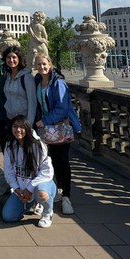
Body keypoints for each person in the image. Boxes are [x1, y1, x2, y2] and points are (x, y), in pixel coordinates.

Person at [34, 53, 81, 215]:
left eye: (44, 64)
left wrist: (44, 121)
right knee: (49, 162)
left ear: (50, 64)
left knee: (62, 162)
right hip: (46, 131)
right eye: (39, 64)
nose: (42, 67)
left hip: (59, 128)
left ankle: (67, 196)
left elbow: (62, 107)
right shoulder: (38, 81)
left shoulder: (58, 82)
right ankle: (56, 192)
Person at [2, 115, 56, 228]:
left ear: (27, 128)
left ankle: (47, 212)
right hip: (22, 190)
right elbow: (9, 173)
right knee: (8, 216)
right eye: (15, 126)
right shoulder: (9, 146)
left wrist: (30, 188)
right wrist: (17, 190)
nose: (18, 130)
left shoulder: (38, 145)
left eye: (21, 127)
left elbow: (47, 172)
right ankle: (31, 203)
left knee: (40, 193)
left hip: (40, 185)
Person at [2, 46, 37, 126]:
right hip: (10, 119)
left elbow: (32, 103)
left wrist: (29, 124)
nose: (11, 60)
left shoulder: (26, 77)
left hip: (23, 121)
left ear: (19, 59)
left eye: (14, 57)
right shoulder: (7, 76)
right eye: (8, 57)